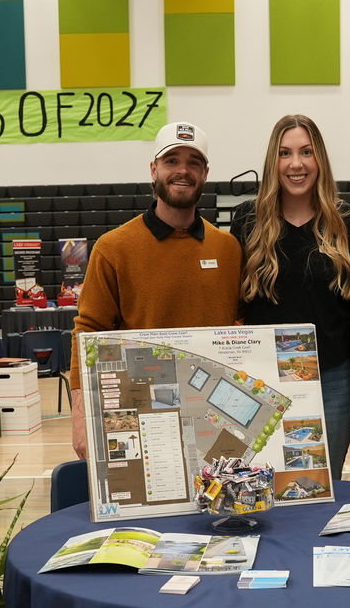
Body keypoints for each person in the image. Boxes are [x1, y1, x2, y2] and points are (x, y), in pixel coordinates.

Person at [69, 121, 242, 458]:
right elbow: (87, 331)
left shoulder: (228, 249)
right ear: (154, 169)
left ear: (205, 173)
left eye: (193, 162)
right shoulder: (113, 248)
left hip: (214, 415)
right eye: (172, 160)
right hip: (139, 415)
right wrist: (80, 416)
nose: (183, 171)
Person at [230, 114, 350, 480]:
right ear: (272, 161)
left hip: (334, 378)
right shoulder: (247, 220)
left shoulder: (346, 221)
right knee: (264, 481)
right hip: (262, 380)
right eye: (285, 153)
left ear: (319, 159)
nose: (296, 164)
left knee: (320, 483)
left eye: (306, 152)